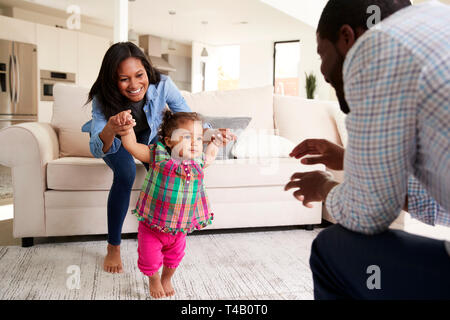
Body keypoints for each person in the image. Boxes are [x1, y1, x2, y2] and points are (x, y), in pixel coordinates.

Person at [285, 0, 450, 299]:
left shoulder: (374, 48)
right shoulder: (439, 23)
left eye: (322, 53)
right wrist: (350, 159)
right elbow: (440, 204)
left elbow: (369, 214)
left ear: (347, 37)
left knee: (330, 248)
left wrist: (323, 186)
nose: (322, 72)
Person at [81, 42, 232, 274]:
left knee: (168, 170)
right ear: (113, 80)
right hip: (116, 136)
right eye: (124, 79)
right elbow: (97, 148)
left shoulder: (162, 84)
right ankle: (114, 245)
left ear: (146, 71)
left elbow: (185, 116)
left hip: (149, 135)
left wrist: (212, 133)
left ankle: (161, 237)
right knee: (126, 173)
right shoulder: (103, 97)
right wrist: (112, 127)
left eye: (139, 75)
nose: (134, 85)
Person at [121, 110, 224, 298]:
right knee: (150, 259)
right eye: (186, 137)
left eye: (199, 139)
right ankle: (153, 280)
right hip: (152, 226)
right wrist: (127, 129)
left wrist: (216, 142)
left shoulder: (197, 162)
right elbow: (132, 146)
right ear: (169, 142)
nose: (194, 143)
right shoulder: (157, 157)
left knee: (174, 258)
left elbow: (210, 156)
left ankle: (166, 278)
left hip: (180, 228)